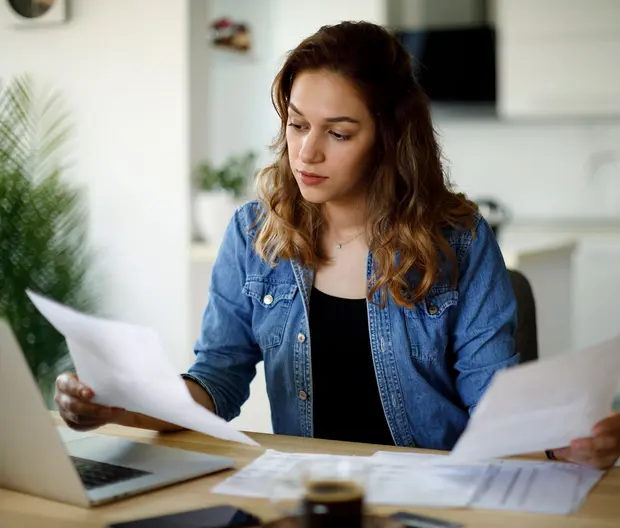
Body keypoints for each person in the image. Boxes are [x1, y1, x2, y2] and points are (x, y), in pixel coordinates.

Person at [55, 21, 620, 469]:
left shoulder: (461, 243)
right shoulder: (255, 235)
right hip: (310, 494)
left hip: (434, 495)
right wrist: (124, 405)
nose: (307, 153)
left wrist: (563, 445)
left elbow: (494, 412)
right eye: (298, 125)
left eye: (339, 133)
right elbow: (218, 379)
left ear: (390, 138)